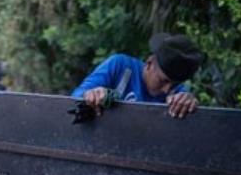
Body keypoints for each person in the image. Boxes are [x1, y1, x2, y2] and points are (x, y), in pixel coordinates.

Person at [71, 33, 204, 119]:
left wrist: (189, 102)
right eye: (163, 81)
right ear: (149, 64)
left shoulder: (176, 93)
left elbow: (191, 113)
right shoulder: (120, 65)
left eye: (174, 84)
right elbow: (75, 98)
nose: (166, 90)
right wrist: (91, 95)